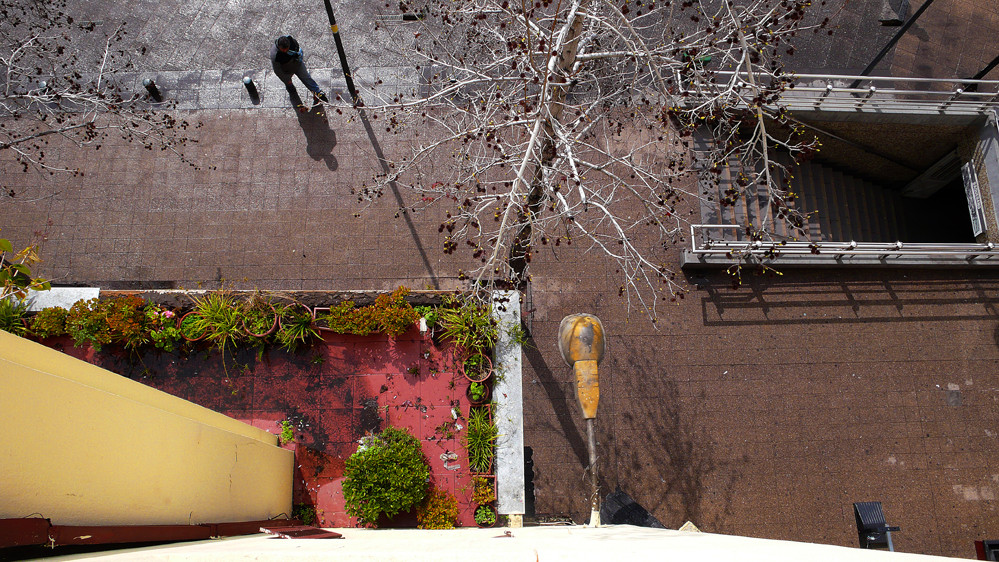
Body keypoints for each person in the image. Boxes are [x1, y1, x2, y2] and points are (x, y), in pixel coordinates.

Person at [270, 35, 329, 109]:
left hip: (297, 64)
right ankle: (291, 89)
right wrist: (286, 79)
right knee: (289, 85)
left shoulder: (292, 41)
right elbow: (277, 70)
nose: (285, 51)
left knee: (307, 78)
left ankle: (317, 92)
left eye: (287, 49)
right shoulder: (275, 55)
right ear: (279, 47)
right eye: (283, 49)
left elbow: (297, 49)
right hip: (286, 70)